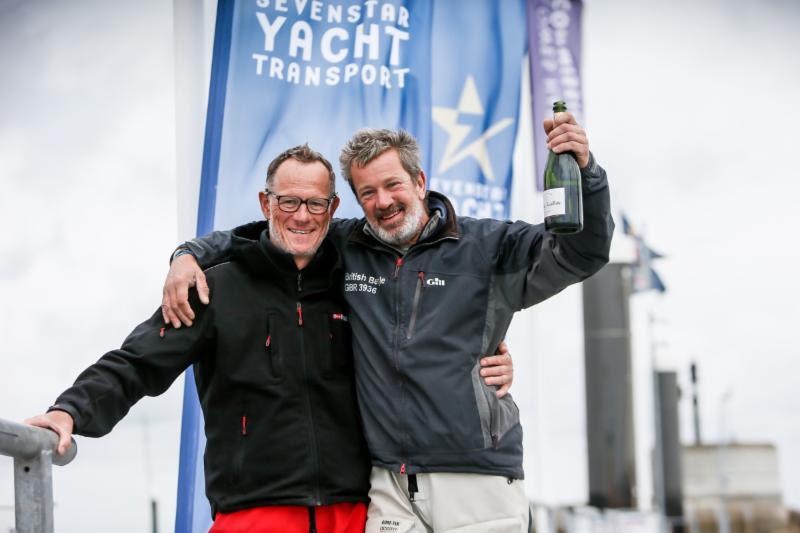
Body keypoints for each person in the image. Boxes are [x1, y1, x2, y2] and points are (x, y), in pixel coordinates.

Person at [162, 113, 613, 532]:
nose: (382, 202)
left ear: (419, 182)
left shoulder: (490, 246)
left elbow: (580, 253)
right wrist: (188, 255)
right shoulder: (347, 244)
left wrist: (587, 174)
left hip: (476, 476)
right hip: (388, 486)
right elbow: (267, 236)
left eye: (392, 184)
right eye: (367, 193)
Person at [25, 145, 511, 532]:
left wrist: (488, 356)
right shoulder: (214, 287)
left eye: (316, 203)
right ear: (266, 204)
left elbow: (421, 332)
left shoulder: (356, 281)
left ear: (333, 207)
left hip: (352, 514)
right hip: (252, 514)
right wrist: (70, 411)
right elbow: (136, 363)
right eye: (289, 201)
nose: (302, 216)